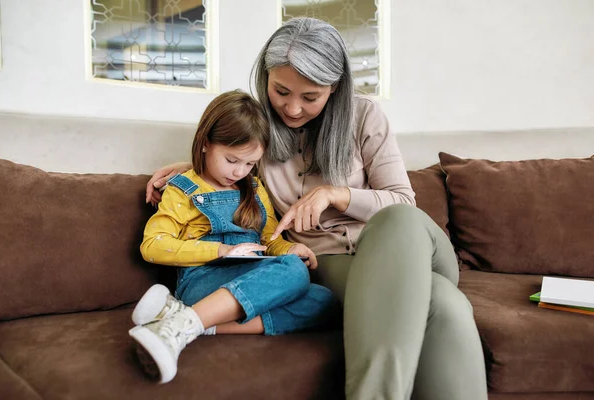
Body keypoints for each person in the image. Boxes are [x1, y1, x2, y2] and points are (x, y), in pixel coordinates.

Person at [146, 18, 488, 400]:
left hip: (415, 251)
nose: (292, 108)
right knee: (444, 304)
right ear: (266, 79)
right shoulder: (258, 127)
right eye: (281, 91)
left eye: (310, 97)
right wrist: (192, 168)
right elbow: (231, 163)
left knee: (399, 219)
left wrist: (335, 195)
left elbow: (404, 200)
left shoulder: (364, 117)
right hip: (334, 263)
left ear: (335, 89)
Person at [130, 90, 337, 384]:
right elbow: (152, 246)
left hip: (250, 274)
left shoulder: (253, 188)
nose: (239, 172)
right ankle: (186, 324)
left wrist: (290, 248)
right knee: (293, 273)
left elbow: (269, 240)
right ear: (205, 144)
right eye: (232, 160)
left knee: (324, 301)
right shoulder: (183, 189)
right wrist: (220, 251)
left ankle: (185, 322)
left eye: (250, 164)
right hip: (203, 280)